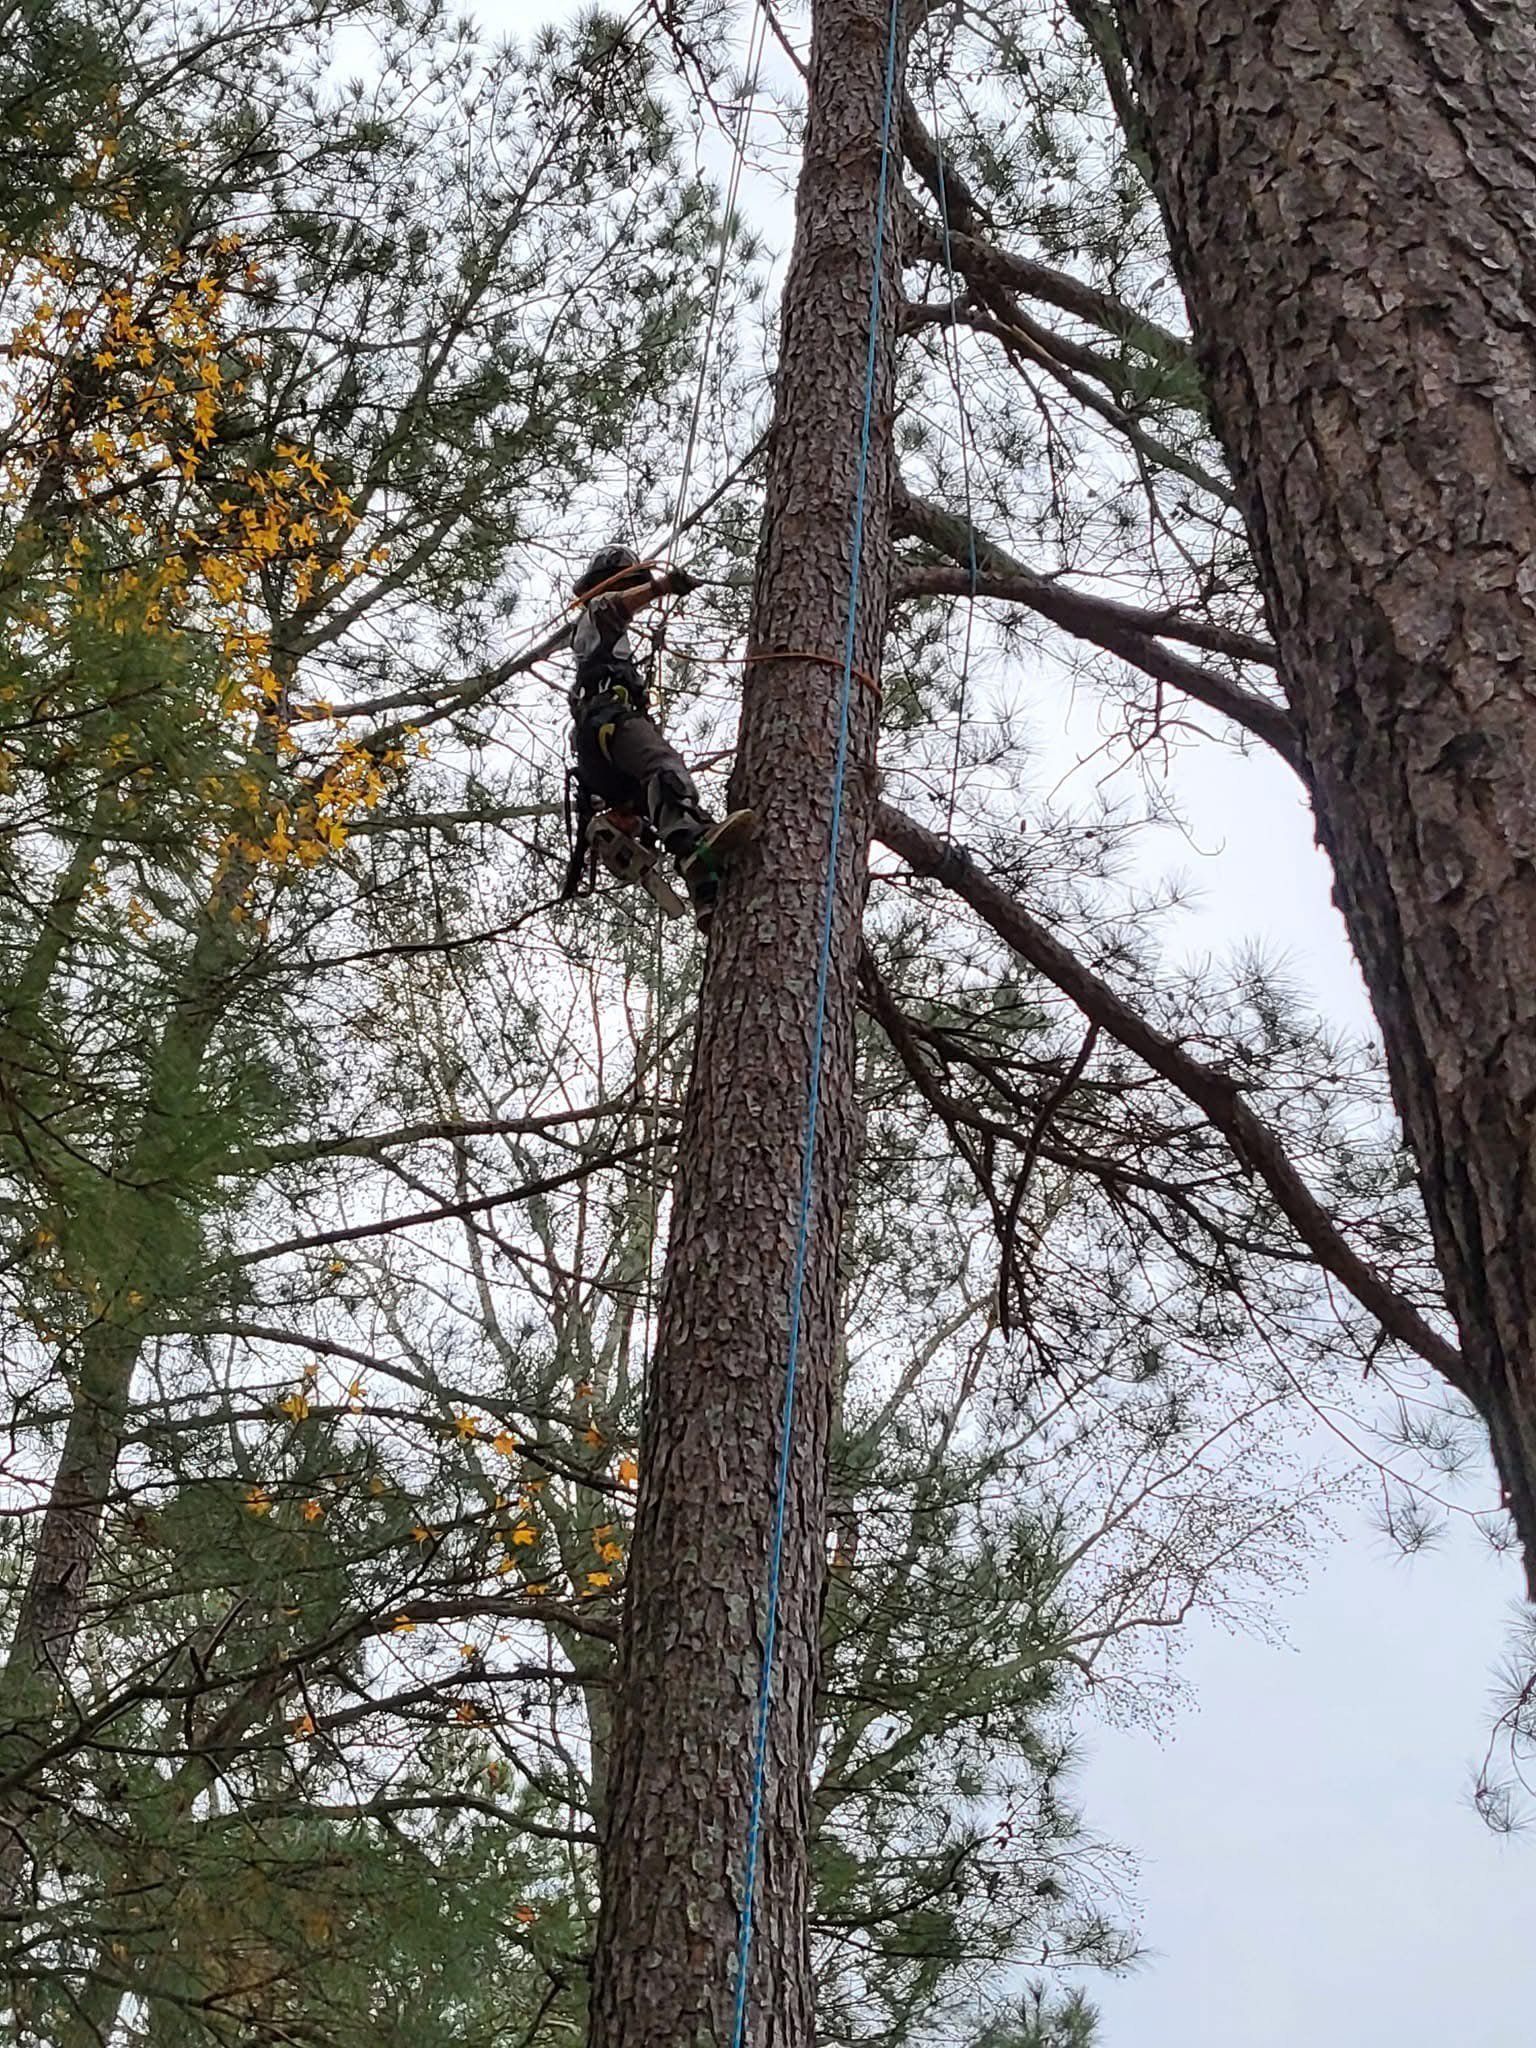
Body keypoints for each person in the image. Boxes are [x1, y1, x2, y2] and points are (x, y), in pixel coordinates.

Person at [564, 542, 752, 924]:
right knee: (664, 767)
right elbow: (616, 606)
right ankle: (691, 848)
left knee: (664, 799)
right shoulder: (597, 613)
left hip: (599, 749)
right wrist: (663, 586)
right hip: (607, 722)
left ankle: (707, 892)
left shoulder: (601, 644)